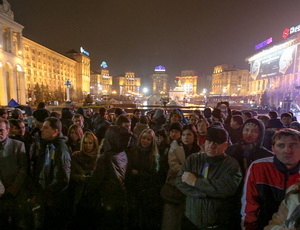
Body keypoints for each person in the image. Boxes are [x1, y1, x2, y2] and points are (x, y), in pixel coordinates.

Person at [176, 127, 242, 229]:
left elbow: (226, 188)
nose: (211, 146)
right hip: (190, 220)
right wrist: (205, 193)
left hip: (217, 224)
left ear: (225, 145)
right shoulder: (193, 159)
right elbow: (180, 182)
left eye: (217, 143)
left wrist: (195, 182)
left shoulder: (231, 165)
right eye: (209, 141)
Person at [241, 129, 300, 230]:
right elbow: (249, 203)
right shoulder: (259, 167)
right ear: (273, 149)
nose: (287, 150)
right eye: (281, 145)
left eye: (293, 145)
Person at [87, 125, 132, 230]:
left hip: (107, 200)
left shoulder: (105, 157)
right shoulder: (122, 153)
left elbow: (96, 181)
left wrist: (88, 191)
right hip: (120, 198)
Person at [161, 124, 200, 230]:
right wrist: (190, 172)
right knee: (172, 216)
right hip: (175, 184)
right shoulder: (174, 146)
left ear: (194, 136)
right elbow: (173, 165)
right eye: (183, 135)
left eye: (189, 135)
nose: (186, 137)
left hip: (192, 186)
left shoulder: (199, 149)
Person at [35, 117, 71, 230]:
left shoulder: (60, 149)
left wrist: (46, 195)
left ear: (55, 132)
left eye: (45, 128)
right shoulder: (50, 146)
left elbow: (62, 178)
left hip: (55, 203)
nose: (42, 130)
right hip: (48, 201)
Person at [126, 129, 160, 229]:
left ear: (152, 141)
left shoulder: (154, 155)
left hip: (148, 192)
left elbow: (154, 175)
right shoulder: (133, 152)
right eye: (144, 138)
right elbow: (129, 171)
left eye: (148, 139)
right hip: (134, 190)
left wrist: (139, 173)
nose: (145, 141)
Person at [0, 118, 28, 229]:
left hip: (15, 193)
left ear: (8, 130)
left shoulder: (18, 146)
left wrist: (13, 188)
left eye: (1, 130)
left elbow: (23, 168)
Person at [70, 132, 98, 224]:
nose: (88, 146)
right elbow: (70, 173)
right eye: (85, 143)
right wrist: (80, 177)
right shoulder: (76, 156)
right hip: (78, 192)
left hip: (93, 194)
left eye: (90, 143)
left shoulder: (98, 158)